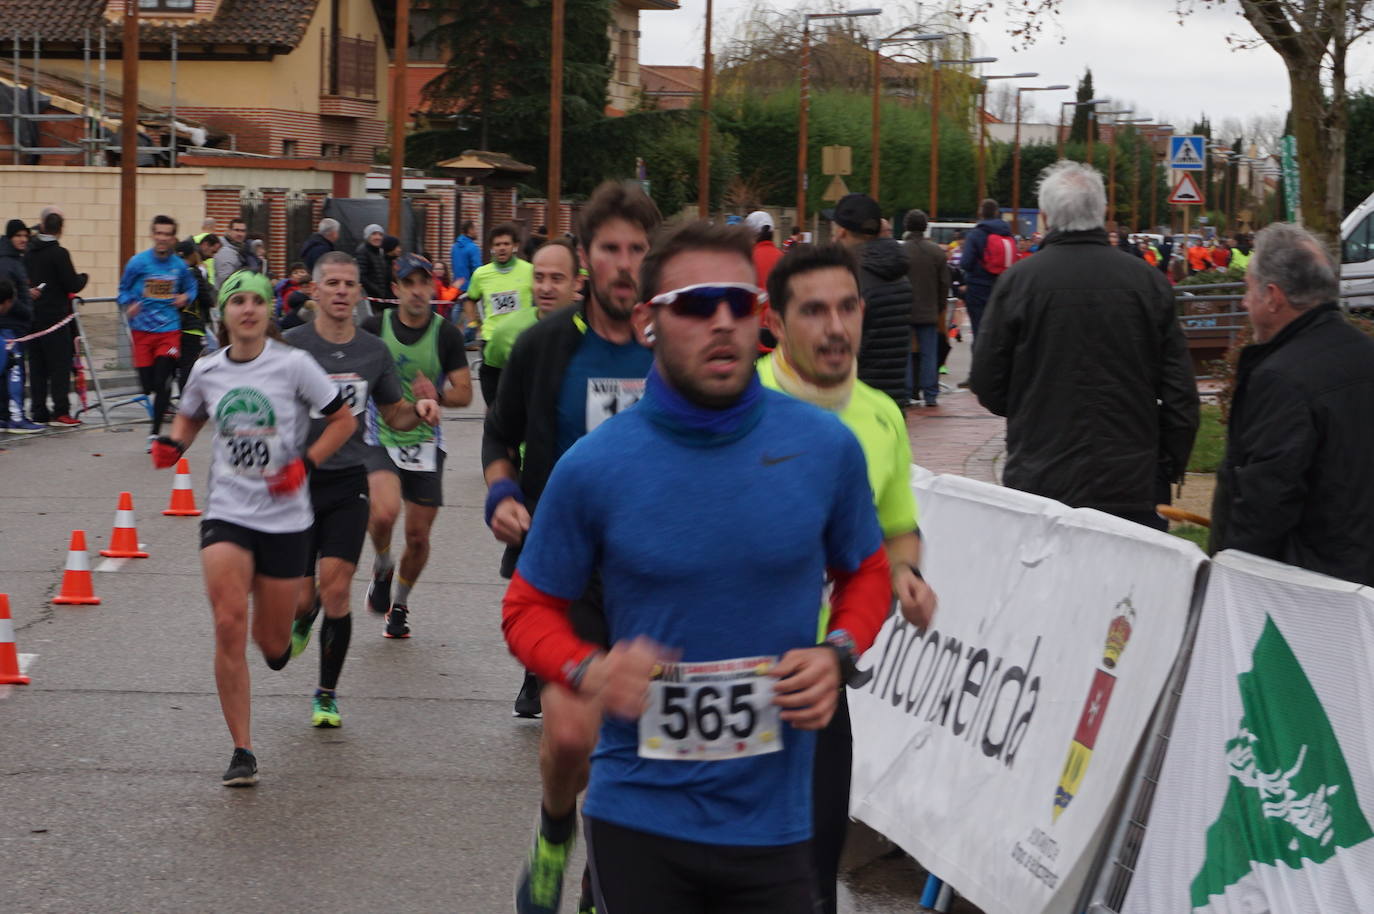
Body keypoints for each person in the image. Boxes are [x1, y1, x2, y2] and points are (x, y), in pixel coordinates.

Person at [501, 219, 892, 913]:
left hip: (778, 822)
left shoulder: (822, 447)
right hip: (641, 813)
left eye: (738, 304)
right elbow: (527, 609)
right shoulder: (595, 467)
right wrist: (590, 670)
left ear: (760, 319)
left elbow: (867, 572)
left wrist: (838, 652)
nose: (721, 322)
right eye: (695, 304)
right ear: (649, 321)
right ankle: (554, 839)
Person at [483, 181, 658, 914]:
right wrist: (502, 493)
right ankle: (556, 829)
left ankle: (598, 882)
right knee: (568, 733)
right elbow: (500, 435)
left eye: (639, 251)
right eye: (611, 250)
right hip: (570, 570)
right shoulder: (545, 345)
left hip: (655, 574)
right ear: (586, 258)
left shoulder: (675, 345)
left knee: (640, 744)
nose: (625, 265)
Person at [758, 241, 937, 912]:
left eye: (845, 308)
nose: (834, 327)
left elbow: (896, 528)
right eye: (812, 311)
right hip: (722, 671)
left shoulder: (882, 415)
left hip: (822, 676)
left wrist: (908, 574)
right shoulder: (738, 400)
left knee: (812, 875)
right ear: (773, 322)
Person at [150, 270, 356, 785]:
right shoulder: (208, 369)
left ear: (269, 312)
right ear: (223, 314)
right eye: (237, 301)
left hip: (286, 519)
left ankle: (286, 635)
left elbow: (343, 420)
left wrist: (304, 465)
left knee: (271, 648)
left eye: (257, 301)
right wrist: (174, 443)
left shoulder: (293, 366)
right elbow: (191, 414)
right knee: (227, 623)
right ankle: (242, 749)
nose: (247, 309)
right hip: (229, 513)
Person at [970, 161, 1199, 530]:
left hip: (1040, 475)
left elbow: (986, 380)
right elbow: (1180, 394)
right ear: (1102, 211)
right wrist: (1166, 466)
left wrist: (1030, 407)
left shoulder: (1019, 283)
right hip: (1130, 478)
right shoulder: (1148, 283)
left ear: (1045, 216)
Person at [284, 251, 441, 726]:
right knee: (301, 598)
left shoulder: (373, 351)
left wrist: (421, 409)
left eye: (347, 284)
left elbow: (393, 413)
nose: (339, 291)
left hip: (347, 480)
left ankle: (326, 694)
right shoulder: (290, 346)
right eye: (330, 283)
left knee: (336, 592)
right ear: (314, 291)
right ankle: (301, 613)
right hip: (296, 483)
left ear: (358, 293)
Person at [1210, 223, 1374, 585]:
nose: (1243, 302)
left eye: (1248, 289)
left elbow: (1266, 502)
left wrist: (1231, 581)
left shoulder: (1281, 379)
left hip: (1308, 594)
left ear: (1272, 296)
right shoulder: (1365, 354)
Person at [362, 254, 474, 638]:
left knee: (418, 536)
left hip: (425, 441)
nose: (416, 291)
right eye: (408, 283)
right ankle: (381, 565)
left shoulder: (446, 334)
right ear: (395, 290)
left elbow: (464, 393)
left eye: (423, 283)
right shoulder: (375, 327)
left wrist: (437, 394)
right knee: (381, 515)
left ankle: (401, 604)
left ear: (432, 287)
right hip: (380, 435)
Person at [118, 215, 199, 445]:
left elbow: (191, 287)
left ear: (174, 238)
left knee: (163, 378)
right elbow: (122, 290)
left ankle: (154, 433)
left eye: (167, 234)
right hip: (142, 331)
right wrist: (129, 303)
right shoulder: (138, 263)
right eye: (159, 233)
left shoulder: (179, 266)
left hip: (169, 331)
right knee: (148, 386)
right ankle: (159, 395)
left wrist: (186, 296)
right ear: (153, 235)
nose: (162, 238)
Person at [829, 193, 914, 406]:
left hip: (858, 398)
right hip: (893, 396)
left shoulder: (854, 279)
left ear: (842, 232)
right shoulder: (898, 274)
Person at [25, 211, 88, 426]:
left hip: (33, 319)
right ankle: (60, 411)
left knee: (37, 367)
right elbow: (72, 283)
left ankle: (38, 411)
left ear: (42, 226)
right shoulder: (59, 253)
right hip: (55, 319)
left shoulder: (29, 252)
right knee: (59, 366)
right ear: (61, 229)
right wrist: (84, 278)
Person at [481, 238, 579, 374]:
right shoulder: (506, 331)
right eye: (538, 278)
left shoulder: (595, 331)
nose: (546, 288)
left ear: (577, 282)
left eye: (556, 278)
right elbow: (491, 375)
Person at [465, 223, 534, 406]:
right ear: (491, 248)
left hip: (522, 341)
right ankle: (494, 430)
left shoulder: (530, 271)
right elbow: (470, 299)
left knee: (521, 400)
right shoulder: (481, 274)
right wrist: (473, 324)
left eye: (506, 244)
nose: (502, 248)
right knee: (494, 402)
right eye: (497, 244)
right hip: (492, 341)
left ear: (515, 246)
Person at [902, 209, 951, 408]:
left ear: (906, 226)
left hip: (904, 309)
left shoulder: (900, 251)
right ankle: (930, 393)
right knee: (929, 353)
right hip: (929, 310)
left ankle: (905, 392)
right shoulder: (937, 252)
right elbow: (944, 284)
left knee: (904, 353)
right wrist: (939, 306)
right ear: (925, 227)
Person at [0, 219, 43, 433]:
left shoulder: (14, 258)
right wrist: (26, 309)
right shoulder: (8, 262)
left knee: (5, 371)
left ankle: (5, 416)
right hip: (10, 325)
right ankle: (16, 417)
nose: (23, 239)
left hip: (12, 325)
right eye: (18, 236)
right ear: (9, 238)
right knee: (15, 372)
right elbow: (7, 293)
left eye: (25, 236)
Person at [958, 198, 1015, 338]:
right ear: (996, 212)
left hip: (978, 288)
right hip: (1003, 286)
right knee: (999, 330)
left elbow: (966, 263)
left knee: (980, 330)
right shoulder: (1007, 233)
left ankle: (980, 357)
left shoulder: (976, 234)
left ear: (980, 213)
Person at [173, 239, 216, 394]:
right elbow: (205, 297)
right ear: (193, 254)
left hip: (174, 325)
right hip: (193, 326)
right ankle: (188, 399)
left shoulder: (174, 272)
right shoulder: (195, 272)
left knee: (178, 365)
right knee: (189, 365)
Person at [212, 219, 260, 287]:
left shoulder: (240, 249)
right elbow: (225, 281)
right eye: (236, 230)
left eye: (243, 231)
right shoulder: (225, 252)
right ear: (229, 231)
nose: (240, 234)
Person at [355, 224, 390, 307]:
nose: (378, 237)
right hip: (369, 299)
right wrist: (377, 290)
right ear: (367, 236)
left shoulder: (380, 252)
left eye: (380, 234)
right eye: (374, 234)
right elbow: (361, 276)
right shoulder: (363, 251)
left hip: (380, 298)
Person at [449, 219, 483, 293]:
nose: (477, 232)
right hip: (470, 289)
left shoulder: (454, 247)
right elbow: (477, 270)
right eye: (476, 229)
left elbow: (453, 267)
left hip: (456, 287)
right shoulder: (473, 247)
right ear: (470, 230)